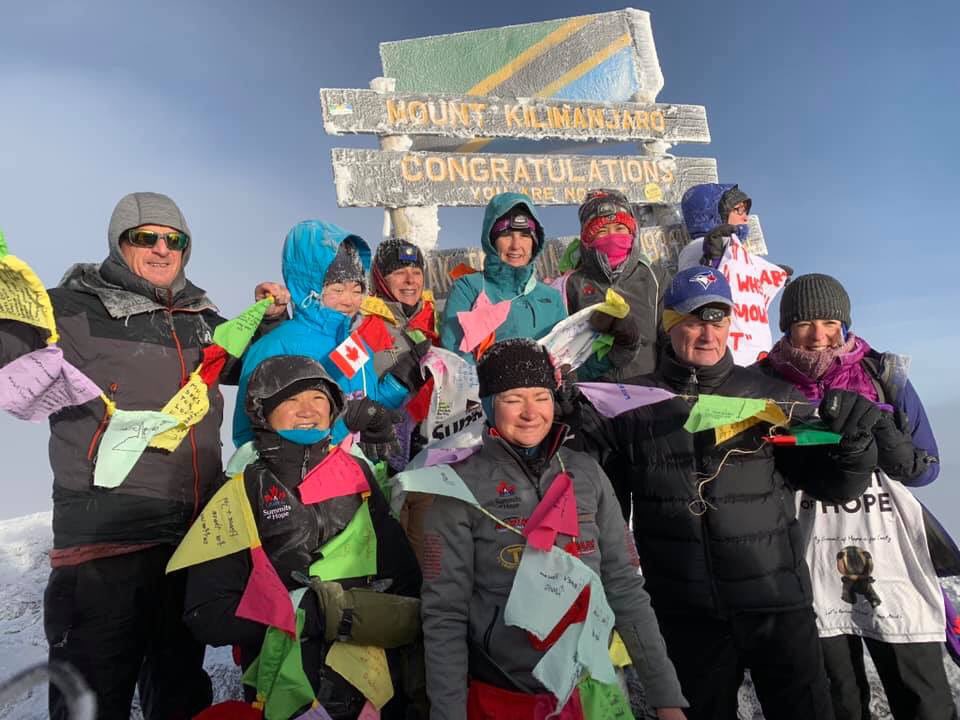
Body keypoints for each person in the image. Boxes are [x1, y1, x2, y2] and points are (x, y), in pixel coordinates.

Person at [0, 192, 286, 719]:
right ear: (118, 242)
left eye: (173, 239)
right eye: (144, 237)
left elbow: (245, 364)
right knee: (92, 699)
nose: (160, 248)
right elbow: (12, 354)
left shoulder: (200, 317)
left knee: (177, 692)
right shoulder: (70, 307)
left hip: (189, 541)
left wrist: (270, 318)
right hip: (105, 549)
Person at [579, 265, 881, 720]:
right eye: (694, 320)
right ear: (669, 324)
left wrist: (855, 447)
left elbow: (832, 483)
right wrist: (569, 422)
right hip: (686, 615)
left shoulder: (769, 394)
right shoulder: (630, 404)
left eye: (718, 319)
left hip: (775, 604)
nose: (707, 334)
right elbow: (599, 493)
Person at [418, 338, 688, 719]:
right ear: (490, 405)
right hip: (504, 696)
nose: (531, 412)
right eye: (513, 399)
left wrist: (666, 697)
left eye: (541, 397)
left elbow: (625, 587)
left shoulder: (586, 473)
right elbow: (444, 614)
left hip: (591, 690)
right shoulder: (456, 488)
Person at [758, 273, 958, 720]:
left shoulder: (882, 374)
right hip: (808, 556)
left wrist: (892, 445)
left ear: (846, 324)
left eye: (830, 322)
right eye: (805, 323)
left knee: (923, 698)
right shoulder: (765, 382)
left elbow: (927, 469)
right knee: (836, 700)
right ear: (786, 327)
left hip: (891, 558)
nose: (818, 336)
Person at [184, 355, 423, 720]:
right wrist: (309, 614)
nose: (307, 410)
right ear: (263, 411)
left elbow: (405, 577)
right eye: (291, 400)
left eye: (318, 398)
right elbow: (207, 613)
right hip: (286, 692)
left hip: (373, 687)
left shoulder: (357, 472)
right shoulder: (239, 490)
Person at [233, 221, 414, 448]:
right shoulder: (276, 346)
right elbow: (247, 433)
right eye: (337, 290)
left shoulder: (353, 343)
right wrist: (343, 427)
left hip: (355, 475)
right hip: (299, 477)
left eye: (357, 290)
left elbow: (366, 401)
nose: (349, 300)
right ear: (309, 287)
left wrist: (402, 381)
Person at [440, 193, 565, 363]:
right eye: (506, 235)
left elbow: (564, 353)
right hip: (488, 389)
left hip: (544, 390)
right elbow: (457, 359)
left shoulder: (552, 297)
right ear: (492, 240)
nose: (516, 245)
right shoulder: (468, 287)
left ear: (535, 242)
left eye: (525, 235)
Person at [557, 188, 665, 380]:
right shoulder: (571, 285)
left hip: (649, 393)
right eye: (602, 231)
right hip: (594, 397)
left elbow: (669, 340)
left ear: (632, 233)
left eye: (620, 229)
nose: (612, 236)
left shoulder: (656, 278)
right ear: (587, 239)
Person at [676, 183, 752, 271]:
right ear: (718, 212)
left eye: (746, 212)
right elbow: (705, 282)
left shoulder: (727, 247)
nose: (746, 219)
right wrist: (713, 261)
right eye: (740, 210)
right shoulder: (701, 248)